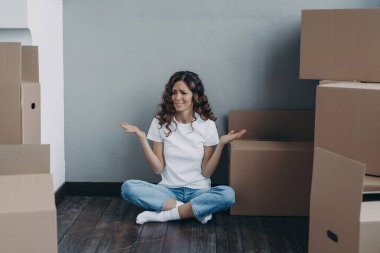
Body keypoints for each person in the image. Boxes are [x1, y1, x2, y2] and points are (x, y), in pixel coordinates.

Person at [120, 71, 246, 224]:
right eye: (174, 93)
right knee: (128, 188)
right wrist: (142, 139)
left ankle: (165, 215)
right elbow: (158, 169)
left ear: (195, 96)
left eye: (183, 93)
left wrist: (220, 144)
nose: (177, 98)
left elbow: (206, 172)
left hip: (199, 191)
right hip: (168, 191)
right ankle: (192, 210)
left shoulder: (207, 125)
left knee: (228, 195)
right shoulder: (160, 122)